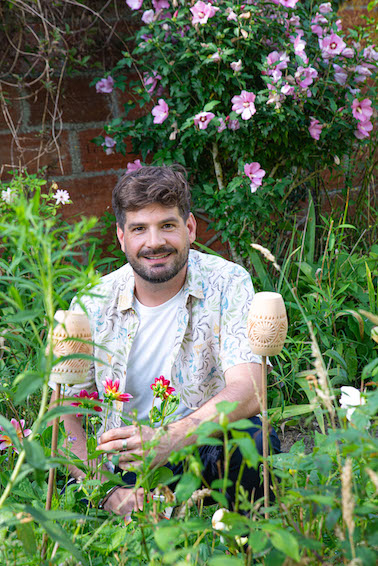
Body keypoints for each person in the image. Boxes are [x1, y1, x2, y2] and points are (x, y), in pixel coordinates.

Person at [50, 165, 279, 518]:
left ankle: (241, 538)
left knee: (254, 439)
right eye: (139, 229)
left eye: (167, 225)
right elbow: (62, 411)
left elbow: (250, 388)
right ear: (122, 237)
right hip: (124, 461)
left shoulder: (227, 283)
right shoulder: (93, 303)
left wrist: (172, 437)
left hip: (203, 447)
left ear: (189, 228)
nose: (154, 242)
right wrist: (105, 488)